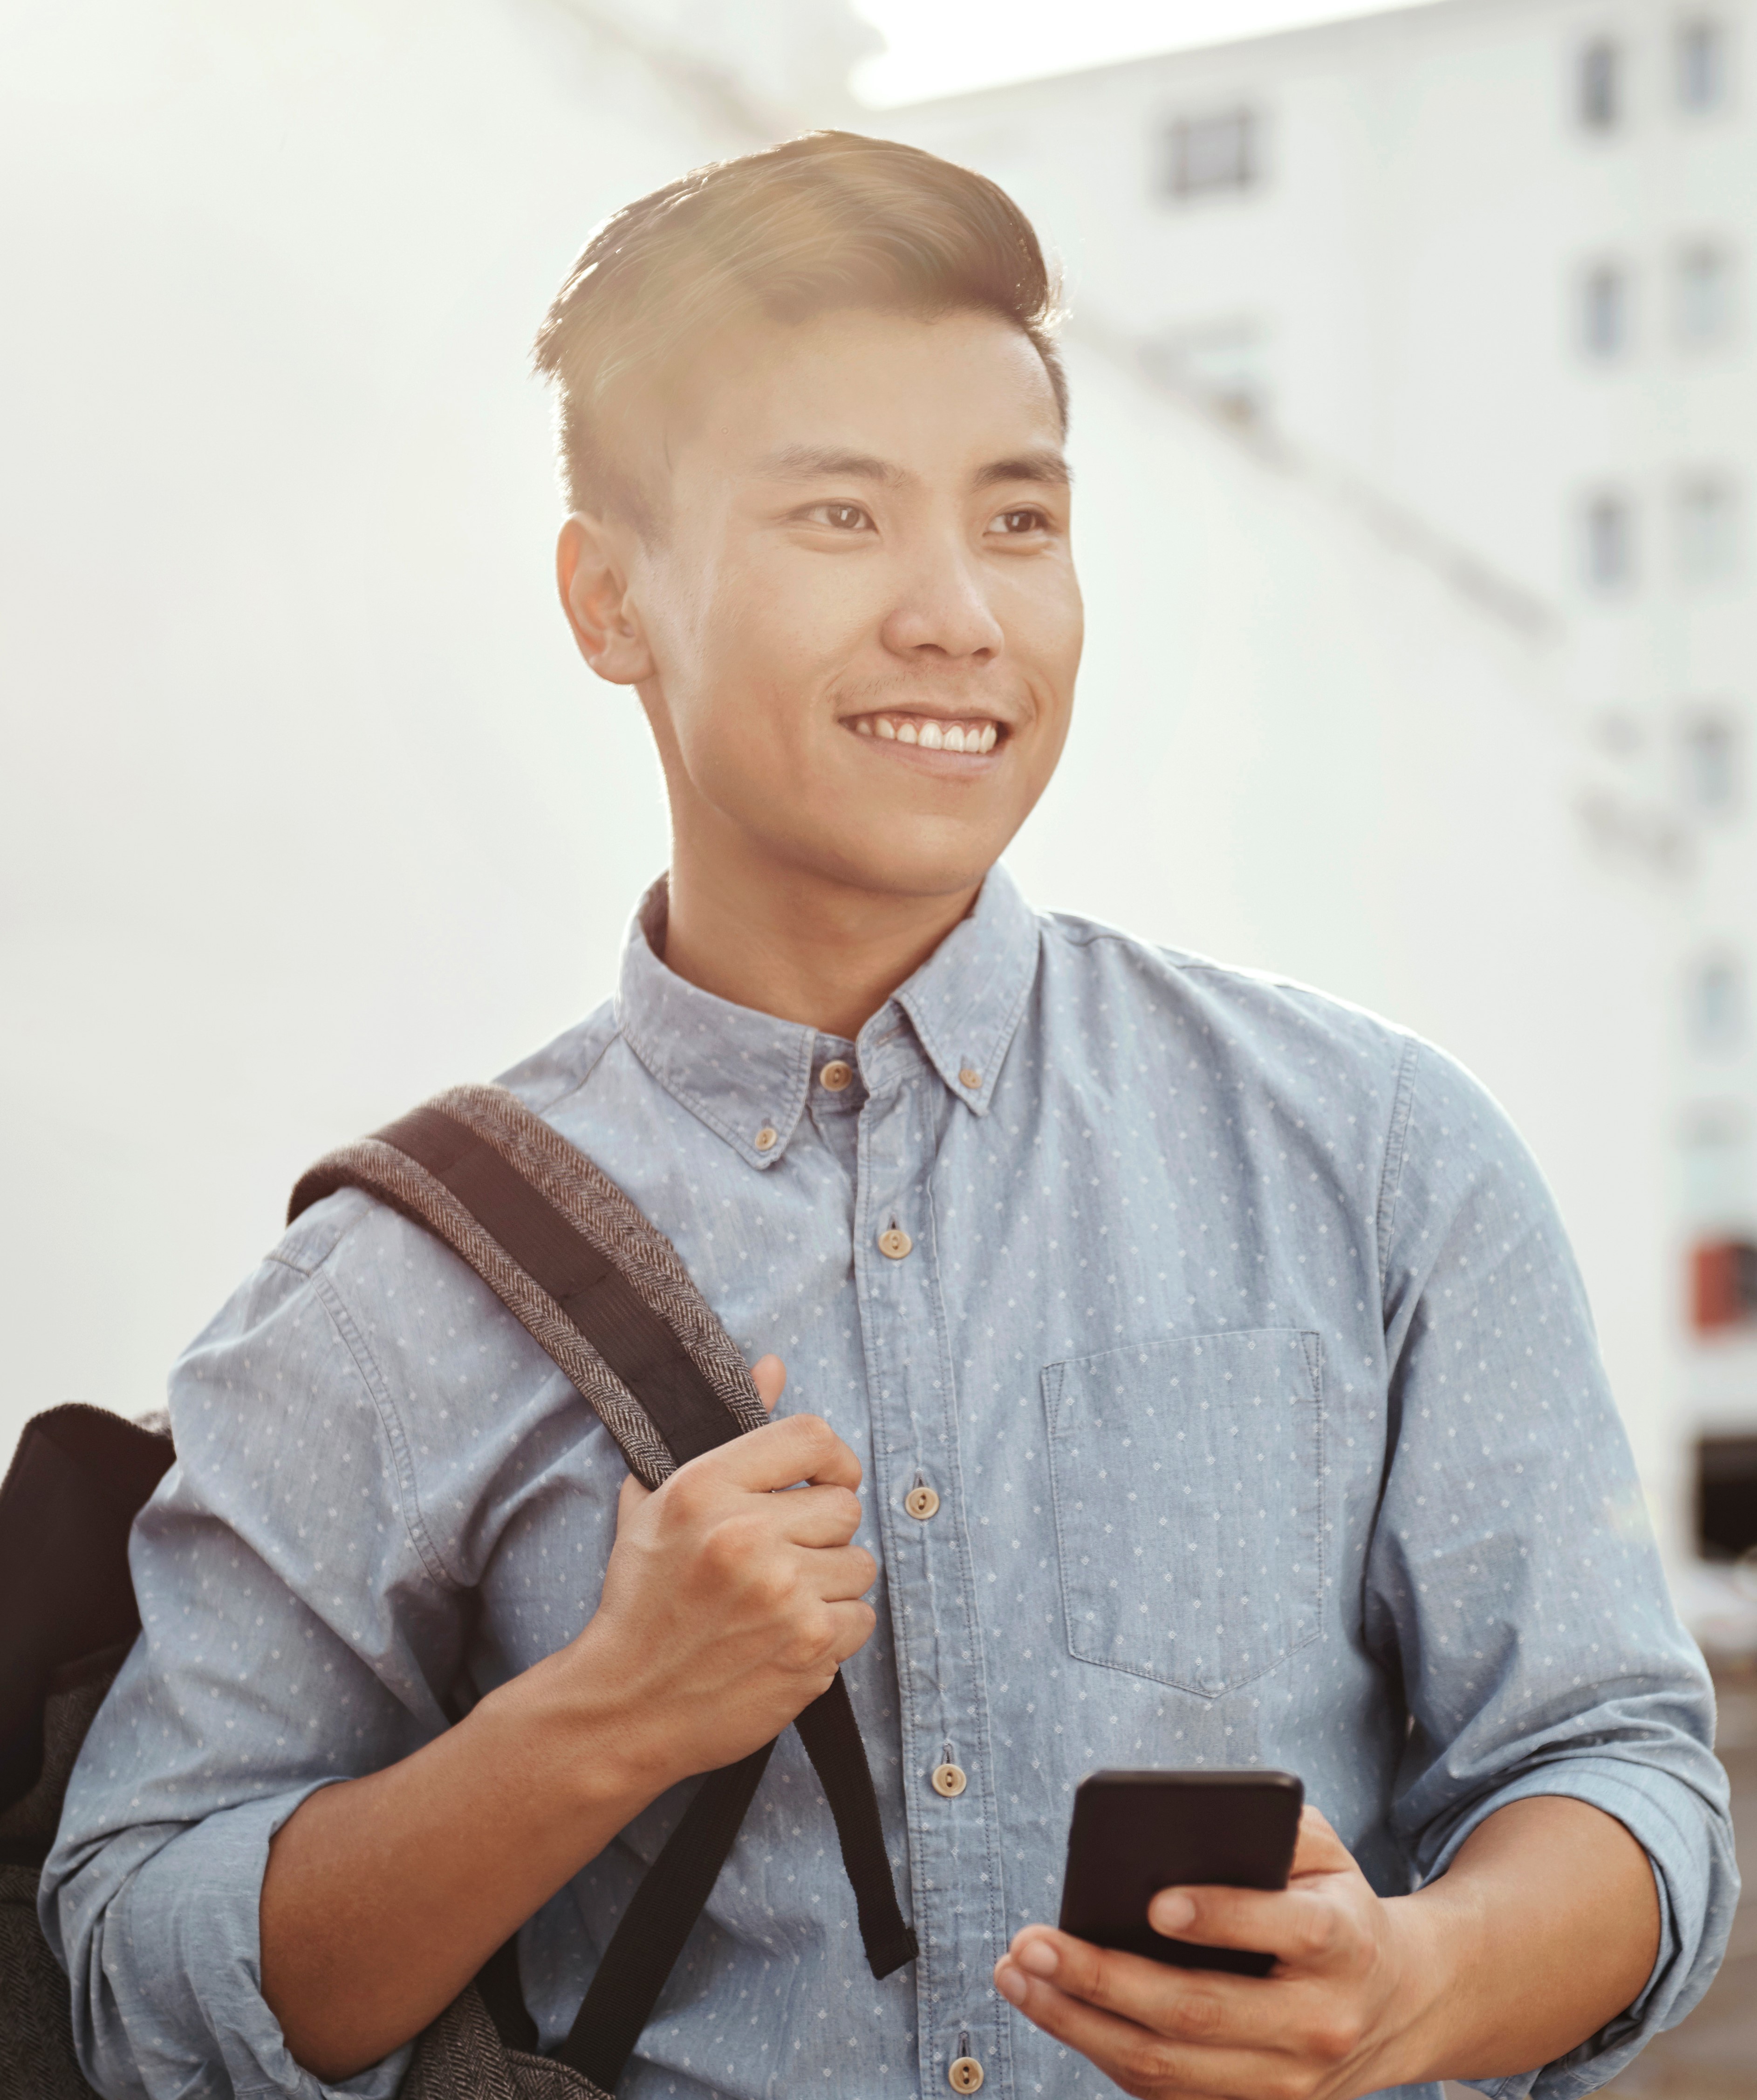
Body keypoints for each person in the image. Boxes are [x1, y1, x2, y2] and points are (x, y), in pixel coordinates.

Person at [43, 132, 1735, 2100]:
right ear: (610, 600)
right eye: (839, 516)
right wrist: (596, 1717)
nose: (958, 613)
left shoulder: (1373, 1154)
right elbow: (134, 1970)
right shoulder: (383, 1295)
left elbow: (1619, 1766)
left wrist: (1421, 1976)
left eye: (1018, 521)